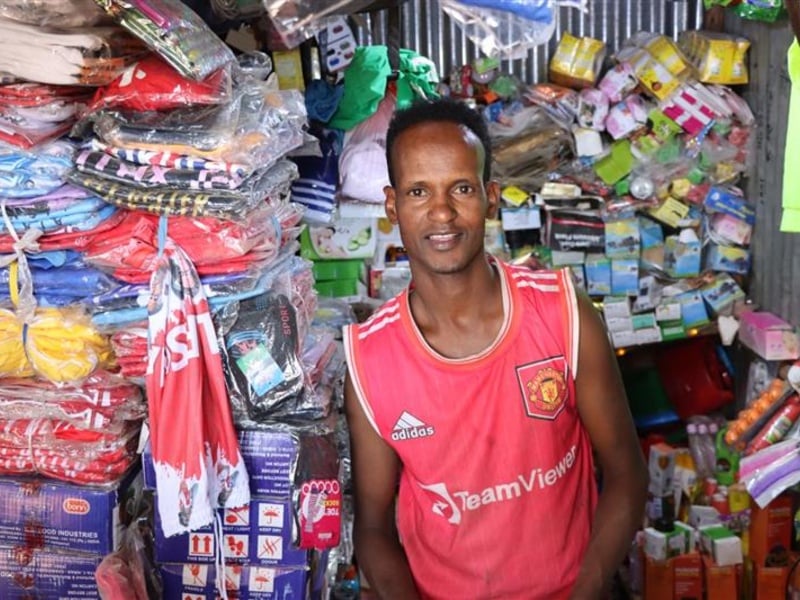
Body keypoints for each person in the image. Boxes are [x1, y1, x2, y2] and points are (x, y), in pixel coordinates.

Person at [343, 96, 648, 599]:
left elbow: (626, 474)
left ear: (491, 196)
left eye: (461, 188)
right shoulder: (371, 359)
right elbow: (373, 528)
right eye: (419, 191)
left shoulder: (563, 315)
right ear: (393, 205)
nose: (442, 212)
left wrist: (585, 592)